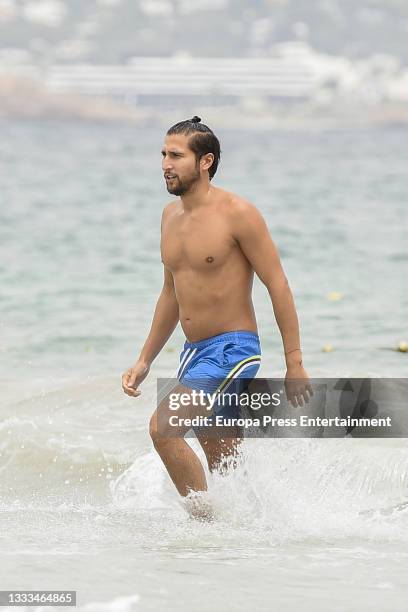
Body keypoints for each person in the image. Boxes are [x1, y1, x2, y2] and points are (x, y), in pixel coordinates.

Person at [122, 116, 311, 514]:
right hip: (194, 351)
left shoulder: (238, 213)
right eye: (163, 154)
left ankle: (205, 528)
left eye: (176, 155)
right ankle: (261, 525)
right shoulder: (169, 217)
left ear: (205, 161)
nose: (165, 164)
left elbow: (278, 285)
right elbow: (170, 293)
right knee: (223, 456)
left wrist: (295, 362)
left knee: (163, 428)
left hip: (233, 348)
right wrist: (144, 359)